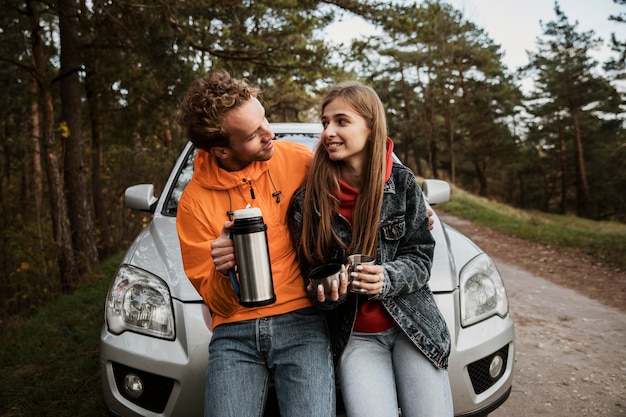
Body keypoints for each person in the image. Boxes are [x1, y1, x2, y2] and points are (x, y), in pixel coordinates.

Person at [288, 81, 453, 417]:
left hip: (411, 326)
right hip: (355, 339)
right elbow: (310, 275)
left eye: (341, 121)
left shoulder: (404, 184)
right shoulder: (308, 202)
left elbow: (421, 256)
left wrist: (386, 278)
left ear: (371, 126)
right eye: (324, 123)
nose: (328, 132)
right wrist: (327, 291)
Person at [176, 71, 336, 417]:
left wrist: (412, 201)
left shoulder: (299, 161)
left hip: (302, 321)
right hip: (234, 332)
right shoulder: (193, 203)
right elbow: (215, 300)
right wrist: (222, 270)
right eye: (253, 134)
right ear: (221, 149)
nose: (270, 134)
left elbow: (360, 184)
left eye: (264, 118)